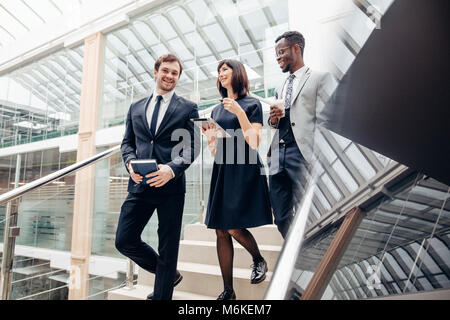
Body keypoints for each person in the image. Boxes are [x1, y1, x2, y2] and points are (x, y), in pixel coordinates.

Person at [115, 53, 200, 300]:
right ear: (156, 71)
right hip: (139, 185)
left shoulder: (187, 107)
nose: (170, 76)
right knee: (124, 239)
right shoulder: (136, 107)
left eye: (175, 73)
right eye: (166, 71)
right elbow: (127, 143)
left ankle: (163, 292)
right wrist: (129, 163)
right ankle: (168, 274)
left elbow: (193, 146)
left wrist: (172, 169)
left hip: (170, 187)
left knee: (168, 246)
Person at [202, 59, 273, 300]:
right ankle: (228, 291)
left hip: (244, 166)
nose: (220, 74)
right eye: (219, 71)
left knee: (232, 226)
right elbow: (215, 150)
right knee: (220, 230)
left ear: (237, 73)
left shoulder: (252, 104)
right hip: (223, 167)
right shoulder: (216, 110)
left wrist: (239, 112)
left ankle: (258, 259)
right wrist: (211, 137)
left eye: (225, 69)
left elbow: (253, 142)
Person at [268, 31, 336, 238]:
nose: (277, 57)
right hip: (278, 154)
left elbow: (326, 121)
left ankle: (310, 255)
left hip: (303, 154)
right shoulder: (281, 86)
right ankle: (297, 251)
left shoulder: (319, 78)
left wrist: (318, 156)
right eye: (276, 54)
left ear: (296, 48)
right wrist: (273, 119)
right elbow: (277, 123)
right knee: (280, 216)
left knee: (308, 212)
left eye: (281, 52)